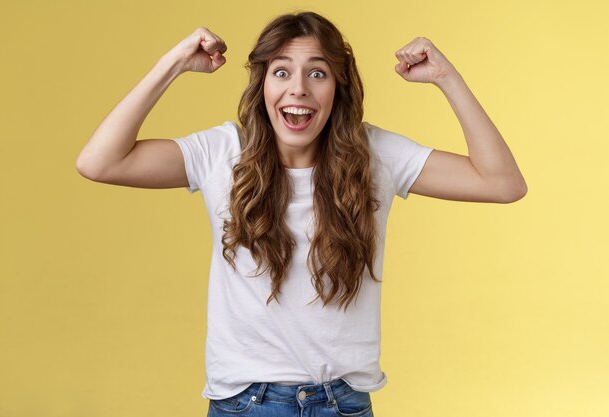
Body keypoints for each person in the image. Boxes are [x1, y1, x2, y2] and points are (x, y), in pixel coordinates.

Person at [76, 11, 526, 417]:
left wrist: (446, 76)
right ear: (262, 84)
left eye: (317, 73)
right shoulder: (222, 153)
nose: (299, 89)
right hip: (245, 405)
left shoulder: (375, 156)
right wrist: (174, 63)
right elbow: (99, 162)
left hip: (343, 404)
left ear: (339, 88)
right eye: (281, 72)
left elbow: (503, 184)